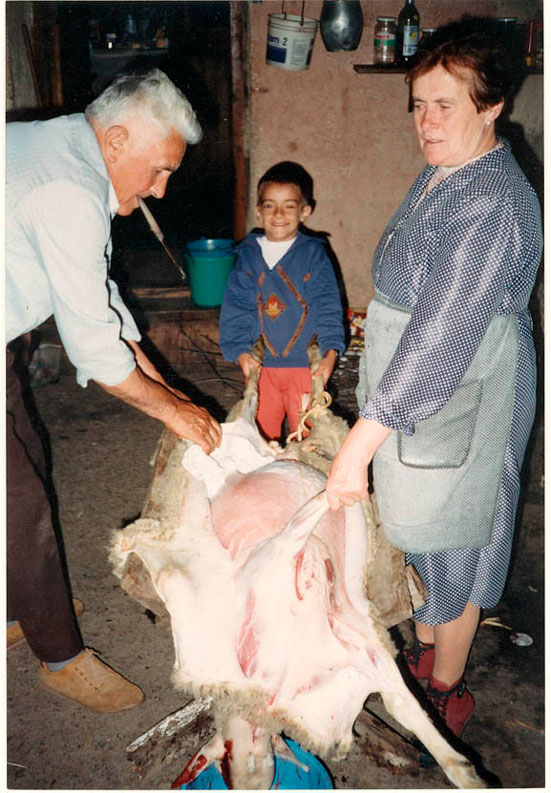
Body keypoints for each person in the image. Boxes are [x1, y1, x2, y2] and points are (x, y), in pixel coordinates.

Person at [325, 24, 542, 738]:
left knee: (459, 534)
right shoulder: (447, 171)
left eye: (444, 104)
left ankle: (444, 685)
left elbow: (442, 331)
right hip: (420, 380)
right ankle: (424, 649)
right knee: (419, 521)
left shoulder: (493, 201)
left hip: (463, 380)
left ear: (491, 105)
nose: (426, 122)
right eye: (417, 104)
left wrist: (358, 442)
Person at [7, 69, 222, 713]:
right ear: (119, 137)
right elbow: (95, 349)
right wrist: (175, 411)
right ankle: (61, 657)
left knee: (28, 456)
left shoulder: (65, 149)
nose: (159, 189)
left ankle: (19, 603)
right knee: (18, 502)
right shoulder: (69, 187)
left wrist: (170, 398)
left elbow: (100, 307)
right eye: (157, 171)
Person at [219, 161, 346, 440]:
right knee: (261, 436)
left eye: (289, 206)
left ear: (305, 211)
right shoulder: (247, 257)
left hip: (305, 367)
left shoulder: (314, 255)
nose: (278, 214)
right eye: (269, 206)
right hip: (261, 367)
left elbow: (327, 305)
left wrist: (330, 353)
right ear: (258, 211)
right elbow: (237, 307)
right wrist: (241, 351)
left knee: (309, 435)